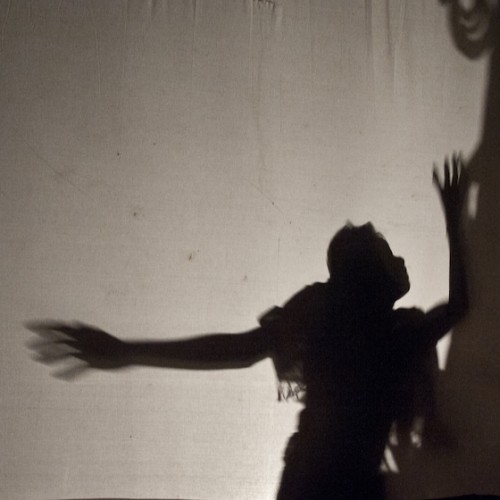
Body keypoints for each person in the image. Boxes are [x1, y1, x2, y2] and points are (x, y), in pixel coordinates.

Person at [28, 155, 469, 499]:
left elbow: (239, 349)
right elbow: (236, 349)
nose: (401, 259)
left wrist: (129, 352)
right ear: (367, 275)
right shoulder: (363, 323)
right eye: (389, 254)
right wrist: (453, 219)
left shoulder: (385, 329)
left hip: (326, 485)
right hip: (322, 486)